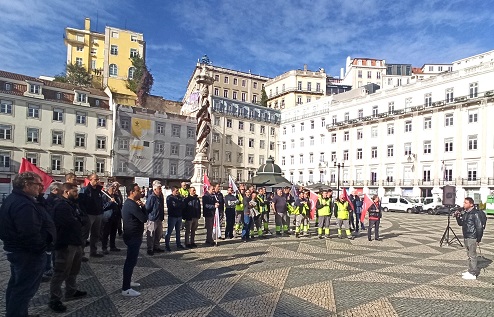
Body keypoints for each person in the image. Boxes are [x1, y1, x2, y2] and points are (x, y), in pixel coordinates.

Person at [0, 172, 56, 317]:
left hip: (19, 251)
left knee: (17, 287)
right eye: (38, 184)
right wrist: (41, 248)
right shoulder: (23, 204)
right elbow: (29, 232)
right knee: (24, 290)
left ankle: (17, 313)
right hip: (27, 254)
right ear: (27, 185)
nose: (41, 187)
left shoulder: (17, 198)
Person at [49, 183, 87, 313]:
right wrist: (78, 220)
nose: (77, 194)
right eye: (74, 191)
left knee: (74, 270)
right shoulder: (61, 205)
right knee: (61, 271)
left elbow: (82, 219)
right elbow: (70, 222)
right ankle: (55, 298)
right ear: (66, 192)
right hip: (65, 243)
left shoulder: (72, 204)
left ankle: (71, 290)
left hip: (75, 242)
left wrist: (78, 220)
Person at [121, 183, 147, 297]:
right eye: (138, 190)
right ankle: (126, 288)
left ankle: (128, 281)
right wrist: (144, 207)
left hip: (133, 235)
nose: (140, 192)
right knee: (130, 261)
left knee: (132, 261)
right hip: (133, 236)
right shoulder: (131, 205)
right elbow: (144, 218)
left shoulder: (131, 204)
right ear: (132, 192)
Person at [455, 197, 484, 280]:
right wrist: (458, 217)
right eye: (464, 202)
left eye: (466, 203)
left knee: (472, 255)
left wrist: (478, 239)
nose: (464, 204)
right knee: (469, 255)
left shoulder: (475, 213)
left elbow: (479, 227)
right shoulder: (466, 213)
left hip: (472, 236)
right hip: (466, 236)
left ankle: (473, 273)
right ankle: (470, 270)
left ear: (471, 204)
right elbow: (461, 224)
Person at [78, 173, 105, 258]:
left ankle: (93, 251)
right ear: (90, 180)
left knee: (96, 234)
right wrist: (84, 214)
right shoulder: (85, 190)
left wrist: (101, 210)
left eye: (98, 179)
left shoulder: (99, 190)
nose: (97, 181)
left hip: (98, 214)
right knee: (85, 234)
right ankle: (81, 253)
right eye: (95, 179)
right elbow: (81, 203)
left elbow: (101, 202)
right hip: (89, 214)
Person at [145, 181, 165, 255]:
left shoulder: (160, 197)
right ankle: (150, 249)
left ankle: (156, 247)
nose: (160, 190)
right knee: (151, 234)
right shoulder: (152, 197)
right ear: (155, 189)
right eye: (159, 189)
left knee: (158, 234)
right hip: (152, 219)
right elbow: (147, 208)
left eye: (160, 189)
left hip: (159, 218)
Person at [101, 184, 121, 254]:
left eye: (114, 188)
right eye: (112, 188)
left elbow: (119, 205)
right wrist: (110, 202)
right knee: (106, 233)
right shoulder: (104, 196)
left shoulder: (116, 196)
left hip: (115, 217)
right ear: (108, 189)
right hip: (107, 217)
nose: (114, 190)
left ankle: (112, 246)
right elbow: (103, 207)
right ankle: (104, 247)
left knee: (113, 232)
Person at [165, 186, 185, 251]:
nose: (177, 192)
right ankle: (167, 245)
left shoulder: (180, 197)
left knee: (178, 231)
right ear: (172, 191)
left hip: (179, 216)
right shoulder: (169, 198)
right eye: (176, 191)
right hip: (172, 216)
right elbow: (172, 206)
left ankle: (178, 244)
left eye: (178, 190)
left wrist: (178, 204)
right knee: (169, 231)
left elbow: (183, 205)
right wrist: (179, 204)